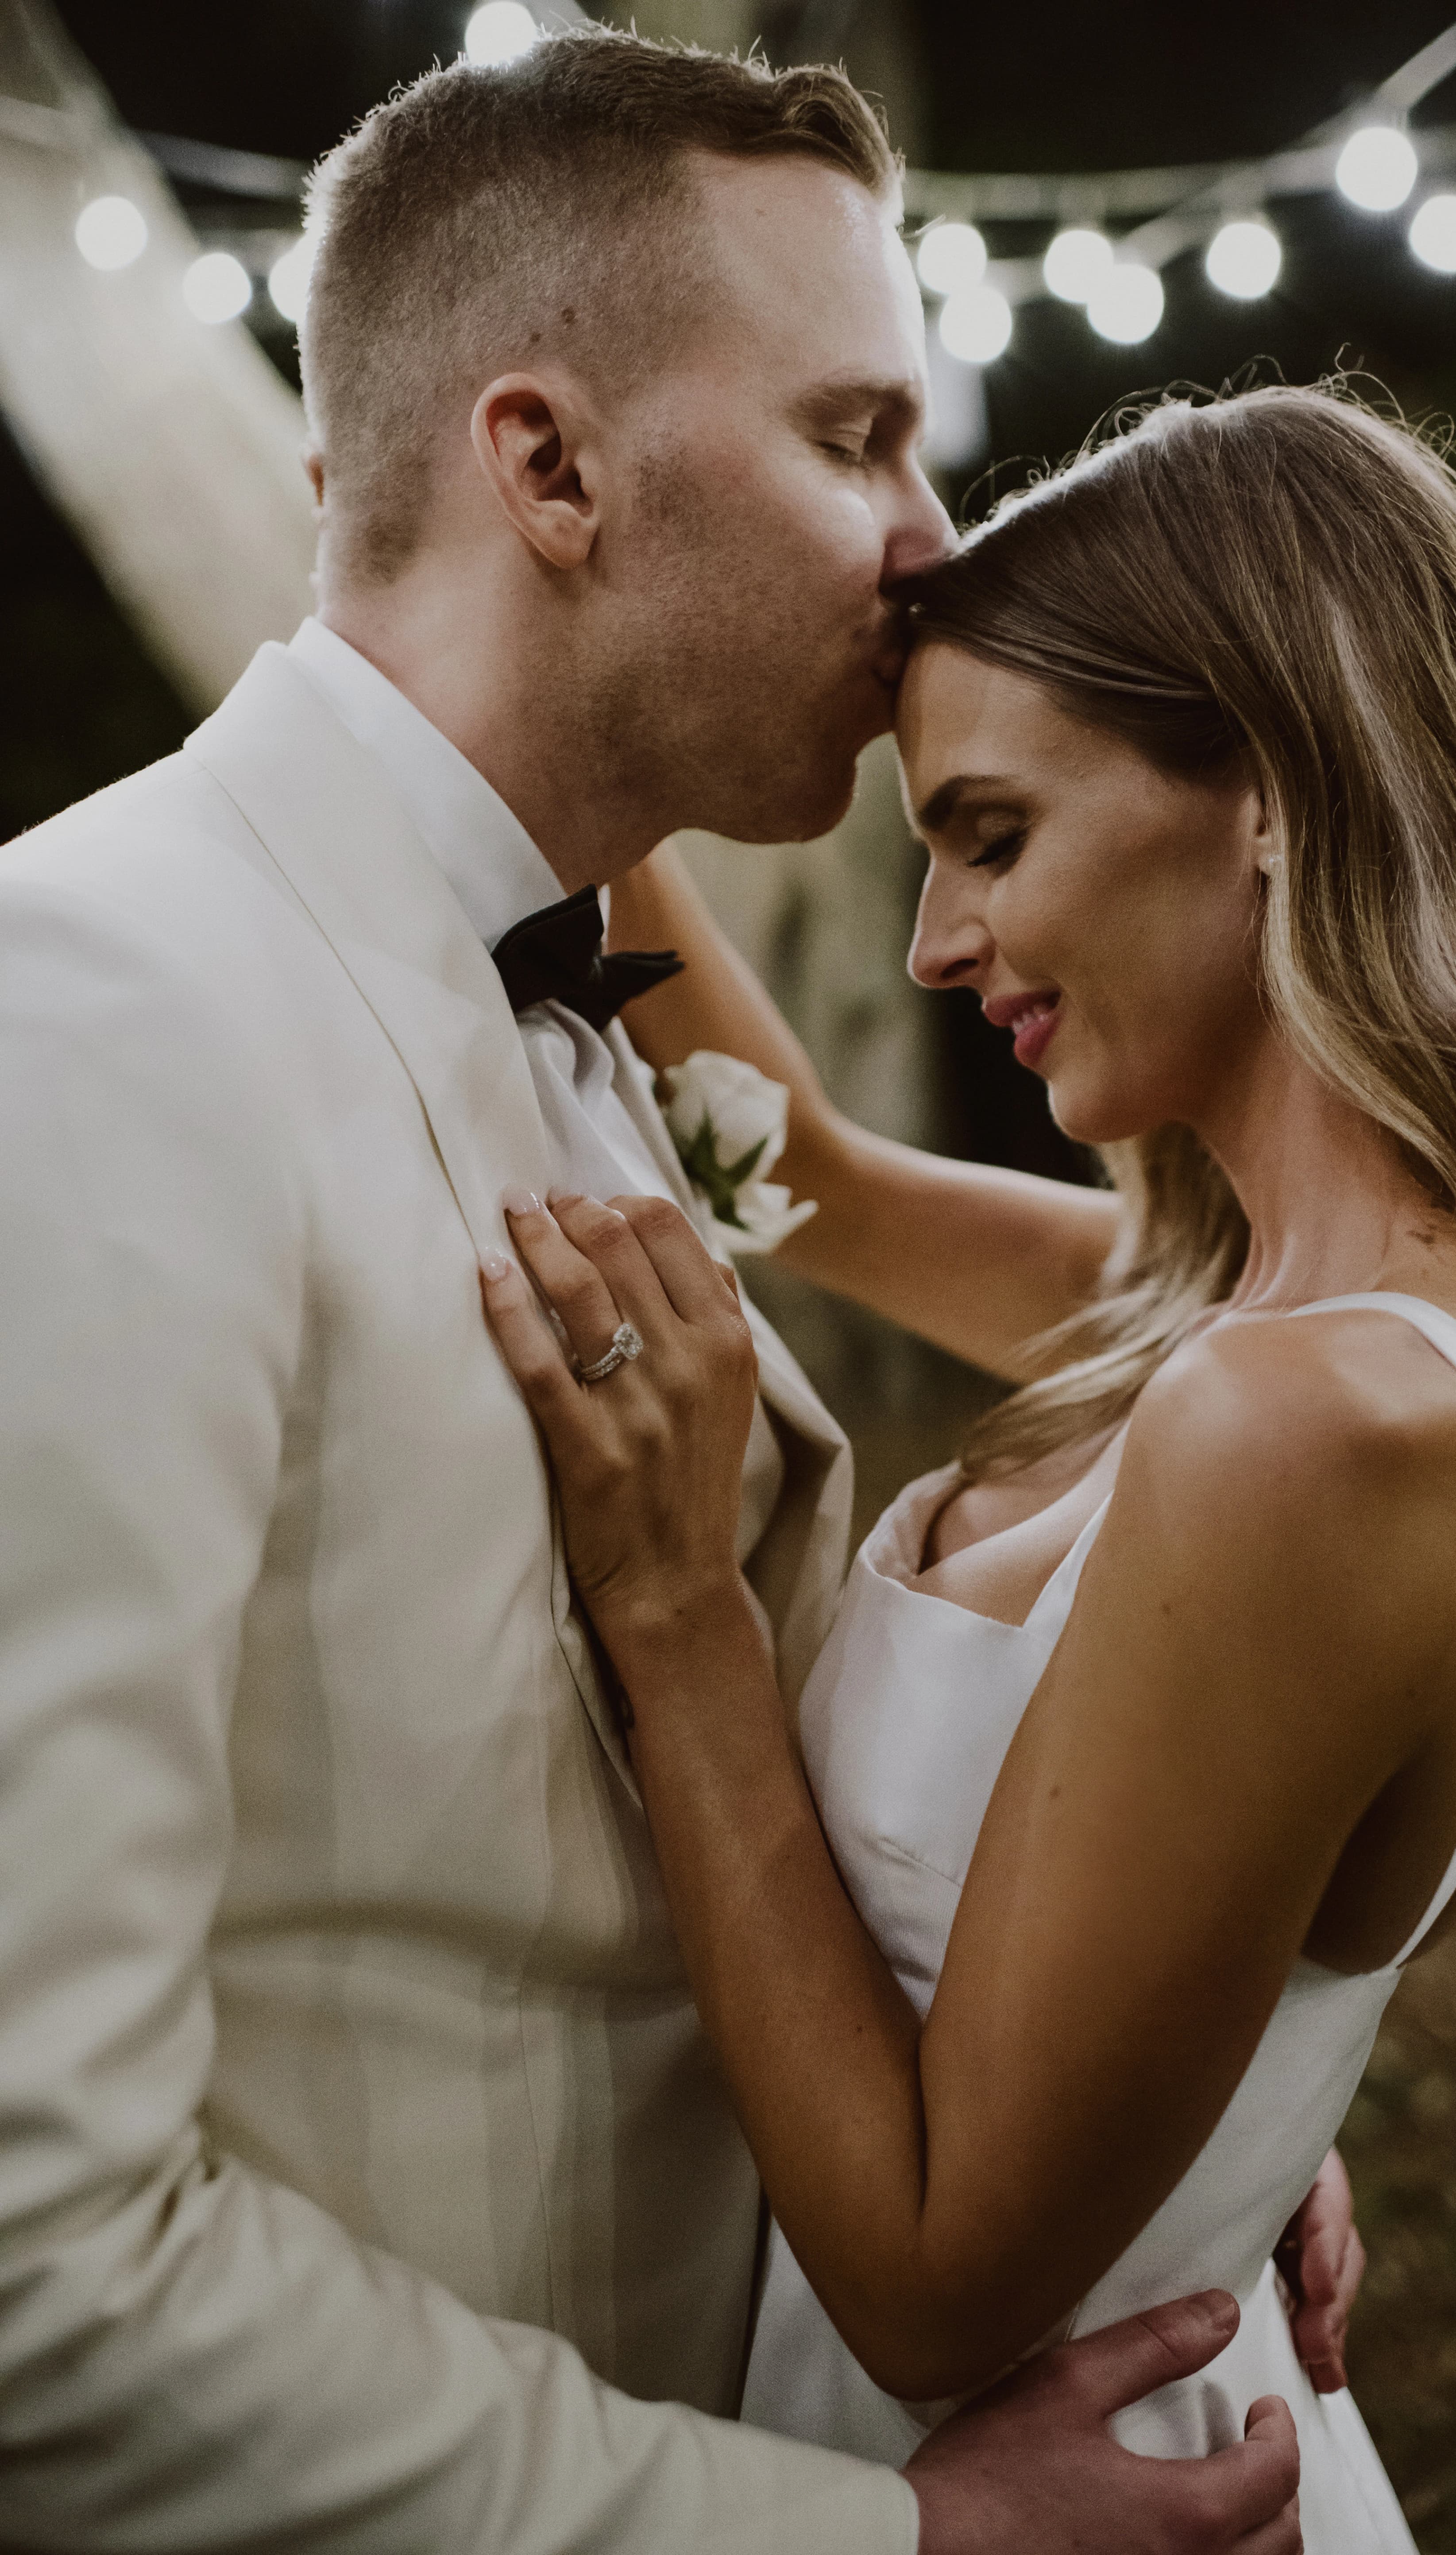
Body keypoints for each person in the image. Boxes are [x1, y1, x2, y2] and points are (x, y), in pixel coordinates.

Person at [0, 30, 1342, 2554]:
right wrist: (884, 2542)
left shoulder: (590, 1020)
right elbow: (32, 2262)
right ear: (549, 468)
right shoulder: (90, 1021)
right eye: (859, 437)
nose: (934, 546)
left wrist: (1138, 2108)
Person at [481, 382, 1456, 2552]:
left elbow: (942, 2280)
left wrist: (680, 1616)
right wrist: (582, 696)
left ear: (1269, 792)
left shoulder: (1302, 1427)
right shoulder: (1291, 1329)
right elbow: (804, 1186)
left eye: (994, 836)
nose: (942, 945)